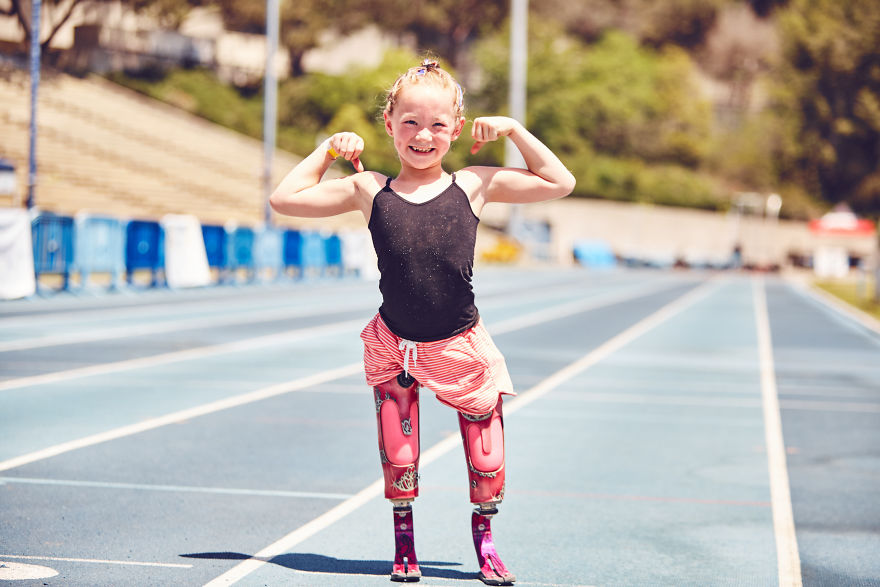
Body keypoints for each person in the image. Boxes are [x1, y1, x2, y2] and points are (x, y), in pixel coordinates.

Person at [270, 58, 575, 585]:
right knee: (399, 454)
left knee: (486, 457)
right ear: (388, 123)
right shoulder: (368, 190)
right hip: (396, 343)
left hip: (460, 344)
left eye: (437, 125)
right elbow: (283, 199)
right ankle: (404, 543)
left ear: (457, 130)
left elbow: (560, 181)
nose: (423, 136)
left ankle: (486, 543)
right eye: (409, 122)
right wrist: (326, 150)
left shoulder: (474, 185)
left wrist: (514, 131)